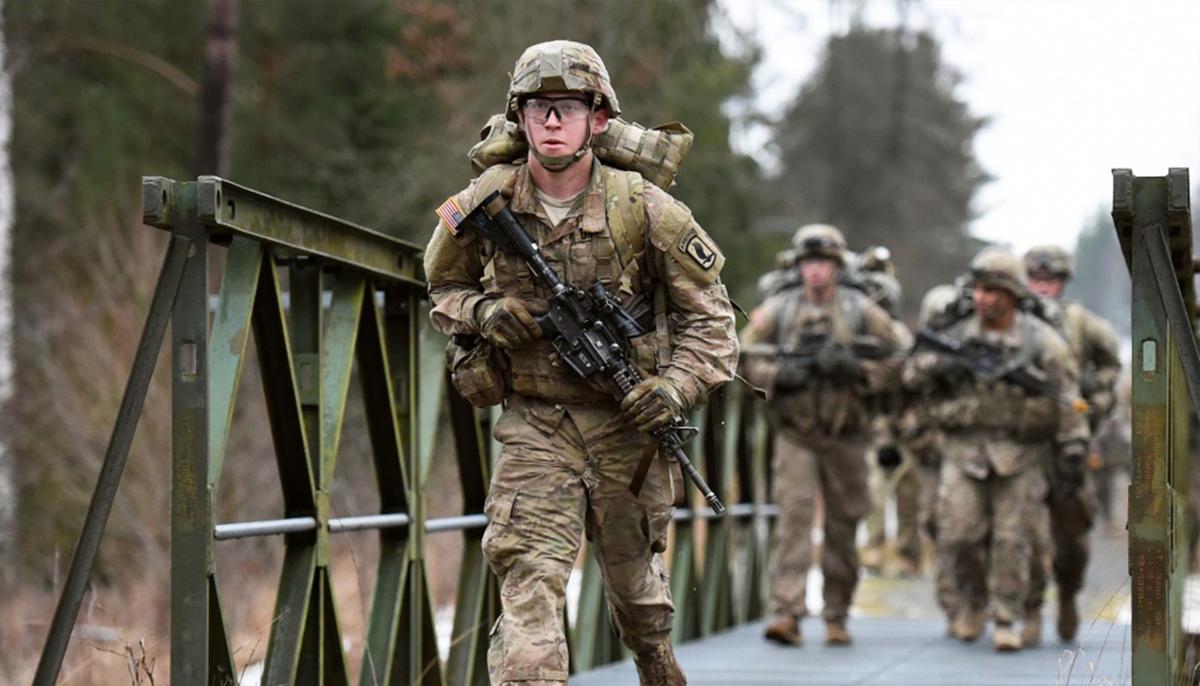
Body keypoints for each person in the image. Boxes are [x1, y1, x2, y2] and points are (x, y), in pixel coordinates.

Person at [423, 40, 737, 686]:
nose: (553, 121)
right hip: (537, 426)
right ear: (520, 118)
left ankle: (658, 664)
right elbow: (439, 287)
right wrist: (483, 314)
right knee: (529, 588)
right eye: (538, 108)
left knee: (637, 596)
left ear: (598, 117)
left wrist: (674, 388)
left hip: (627, 431)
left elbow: (713, 322)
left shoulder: (643, 207)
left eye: (568, 107)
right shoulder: (486, 202)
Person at [902, 248, 1089, 652]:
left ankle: (1008, 616)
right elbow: (911, 373)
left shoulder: (1041, 341)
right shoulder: (957, 334)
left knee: (1014, 539)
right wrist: (940, 366)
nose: (981, 298)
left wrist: (1073, 449)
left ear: (1009, 295)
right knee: (959, 535)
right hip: (964, 449)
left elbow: (1068, 396)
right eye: (978, 290)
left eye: (990, 291)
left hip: (1021, 454)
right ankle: (973, 603)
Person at [742, 224, 907, 647]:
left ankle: (837, 613)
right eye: (809, 263)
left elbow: (900, 355)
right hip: (795, 432)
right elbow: (742, 356)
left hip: (847, 434)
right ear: (799, 267)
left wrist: (857, 371)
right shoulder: (779, 309)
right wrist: (782, 375)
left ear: (836, 266)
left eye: (824, 262)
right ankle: (787, 612)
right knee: (794, 520)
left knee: (843, 523)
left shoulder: (860, 310)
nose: (815, 271)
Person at [1021, 244, 1121, 644]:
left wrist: (1094, 405)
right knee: (1024, 532)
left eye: (1051, 280)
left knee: (1073, 535)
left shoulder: (1081, 324)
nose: (1043, 287)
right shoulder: (1017, 323)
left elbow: (1112, 365)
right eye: (1037, 279)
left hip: (1073, 445)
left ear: (1062, 283)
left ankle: (1067, 595)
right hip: (1027, 442)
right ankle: (1028, 608)